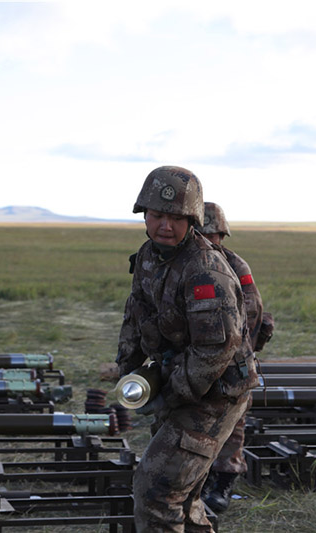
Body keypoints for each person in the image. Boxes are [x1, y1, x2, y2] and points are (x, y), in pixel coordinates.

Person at [117, 166, 258, 532]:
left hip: (216, 392)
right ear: (144, 215)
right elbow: (135, 315)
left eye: (176, 217)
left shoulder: (205, 269)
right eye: (158, 215)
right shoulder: (149, 257)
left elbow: (215, 350)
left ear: (192, 219)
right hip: (181, 380)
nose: (165, 225)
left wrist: (168, 397)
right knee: (183, 495)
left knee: (158, 492)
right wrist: (129, 372)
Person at [197, 202, 274, 513]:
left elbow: (253, 312)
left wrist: (234, 354)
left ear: (222, 235)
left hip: (233, 361)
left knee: (231, 425)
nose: (206, 240)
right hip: (196, 361)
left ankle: (223, 483)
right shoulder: (187, 265)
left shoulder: (235, 266)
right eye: (200, 234)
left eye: (212, 235)